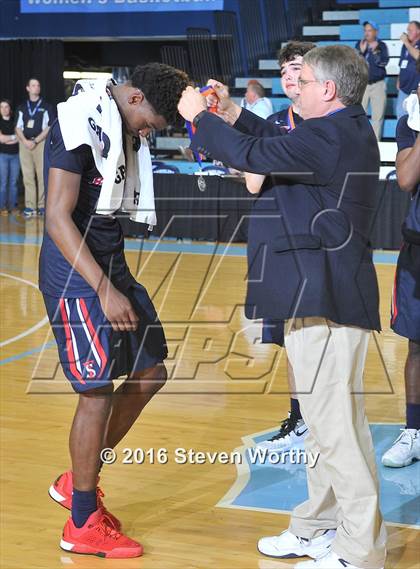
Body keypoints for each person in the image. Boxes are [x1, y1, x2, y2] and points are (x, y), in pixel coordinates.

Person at [178, 44, 387, 569]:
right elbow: (274, 139)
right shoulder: (335, 129)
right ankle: (317, 525)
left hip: (327, 299)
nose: (296, 85)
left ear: (328, 90)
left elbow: (253, 155)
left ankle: (359, 550)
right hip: (317, 295)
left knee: (337, 431)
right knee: (328, 426)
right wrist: (231, 113)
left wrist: (201, 118)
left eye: (305, 78)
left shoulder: (330, 136)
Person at [41, 63, 189, 558]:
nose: (148, 133)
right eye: (150, 123)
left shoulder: (120, 119)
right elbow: (56, 218)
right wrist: (103, 288)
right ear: (135, 97)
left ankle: (77, 478)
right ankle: (82, 522)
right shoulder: (78, 120)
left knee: (151, 372)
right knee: (97, 391)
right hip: (75, 275)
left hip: (109, 259)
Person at [248, 41, 316, 454]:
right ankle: (300, 418)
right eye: (284, 71)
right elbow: (254, 182)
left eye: (297, 68)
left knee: (318, 339)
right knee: (291, 339)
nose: (290, 77)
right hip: (278, 244)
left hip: (317, 245)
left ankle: (321, 418)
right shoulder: (273, 122)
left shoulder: (330, 120)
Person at [382, 84, 420, 468]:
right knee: (417, 345)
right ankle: (414, 430)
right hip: (418, 248)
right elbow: (407, 179)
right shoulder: (410, 121)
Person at [15, 78, 54, 217]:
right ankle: (30, 207)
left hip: (40, 144)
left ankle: (42, 206)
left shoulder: (46, 106)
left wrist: (36, 141)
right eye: (33, 85)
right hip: (24, 144)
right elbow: (18, 127)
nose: (36, 87)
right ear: (28, 88)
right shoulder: (22, 107)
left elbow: (49, 127)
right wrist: (25, 141)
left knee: (42, 175)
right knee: (28, 176)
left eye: (38, 85)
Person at [355, 20, 389, 140]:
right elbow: (355, 65)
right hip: (363, 85)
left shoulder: (382, 45)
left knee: (377, 117)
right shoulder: (360, 44)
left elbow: (383, 62)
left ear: (376, 32)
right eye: (365, 30)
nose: (367, 33)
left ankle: (375, 147)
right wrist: (361, 52)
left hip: (377, 85)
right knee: (359, 116)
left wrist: (375, 52)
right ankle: (360, 143)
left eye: (369, 30)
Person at [396, 21, 420, 119]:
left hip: (416, 88)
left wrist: (406, 42)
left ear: (418, 31)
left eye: (411, 30)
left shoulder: (408, 44)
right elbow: (402, 64)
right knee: (401, 116)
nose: (408, 32)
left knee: (415, 118)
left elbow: (418, 56)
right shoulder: (405, 46)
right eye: (407, 30)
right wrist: (398, 79)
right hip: (404, 88)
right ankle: (402, 135)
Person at [0, 99, 20, 215]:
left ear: (10, 109)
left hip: (15, 155)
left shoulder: (15, 121)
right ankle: (2, 207)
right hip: (2, 155)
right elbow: (1, 139)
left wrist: (7, 139)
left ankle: (13, 207)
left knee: (14, 182)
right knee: (3, 182)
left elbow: (20, 137)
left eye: (6, 107)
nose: (4, 109)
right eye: (1, 107)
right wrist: (13, 137)